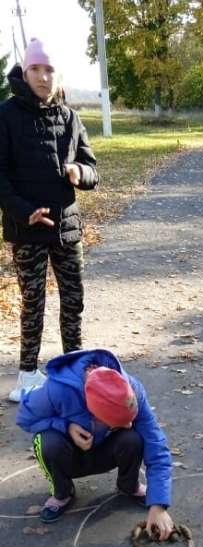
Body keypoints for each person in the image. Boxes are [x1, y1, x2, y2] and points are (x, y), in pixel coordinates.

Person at [0, 38, 99, 402]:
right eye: (35, 69)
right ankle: (27, 375)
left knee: (73, 301)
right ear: (25, 73)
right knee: (33, 304)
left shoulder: (71, 118)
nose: (43, 77)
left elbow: (92, 169)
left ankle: (75, 369)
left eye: (49, 69)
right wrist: (23, 210)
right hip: (27, 229)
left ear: (58, 75)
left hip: (67, 229)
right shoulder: (6, 116)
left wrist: (79, 172)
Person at [16, 348, 174, 535]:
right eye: (117, 423)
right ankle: (63, 492)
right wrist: (65, 426)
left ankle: (128, 485)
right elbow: (24, 418)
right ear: (93, 412)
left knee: (134, 436)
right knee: (46, 441)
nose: (129, 424)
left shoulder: (131, 390)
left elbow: (156, 444)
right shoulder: (58, 390)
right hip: (70, 455)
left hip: (103, 450)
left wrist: (158, 504)